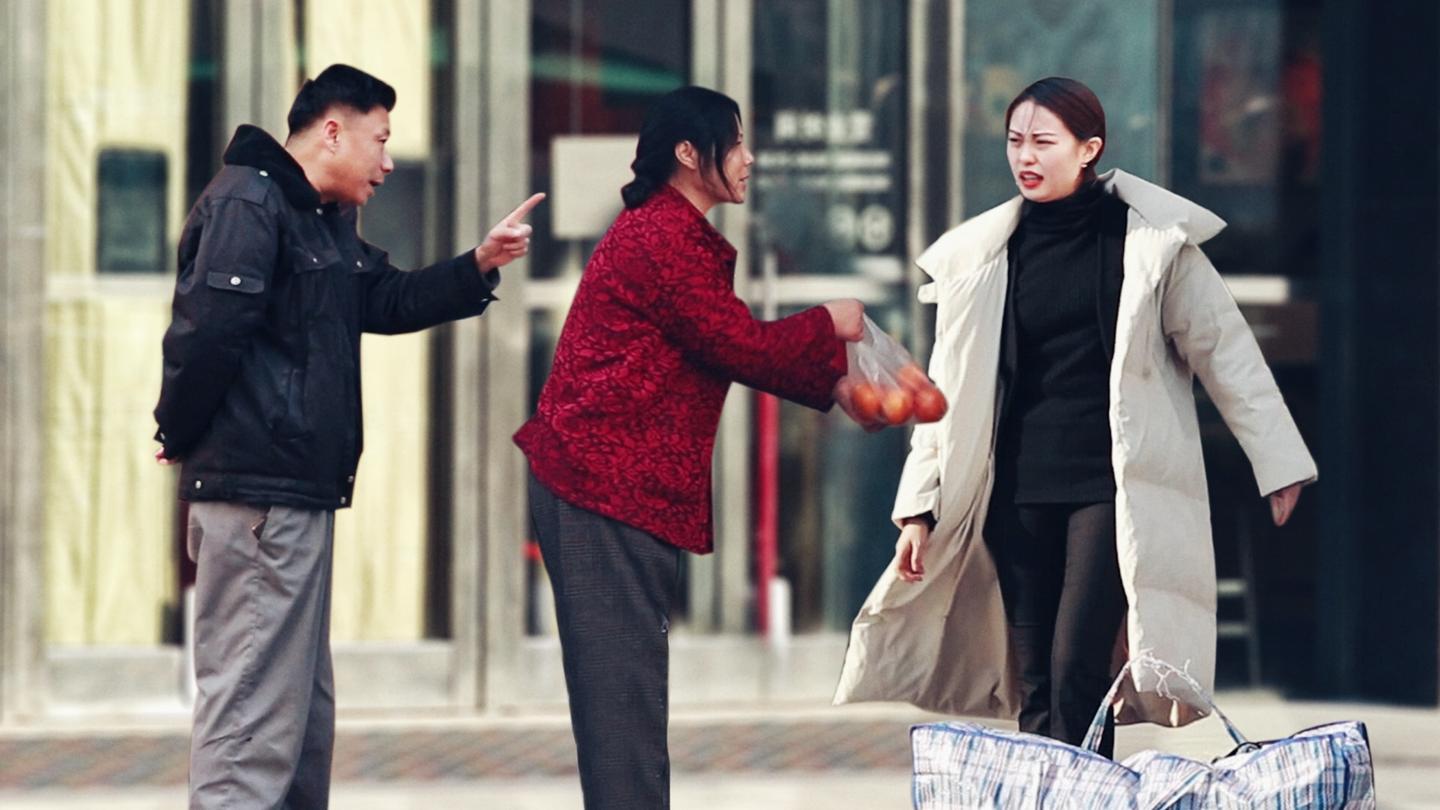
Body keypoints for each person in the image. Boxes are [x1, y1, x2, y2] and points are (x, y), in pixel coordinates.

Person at [834, 77, 1317, 756]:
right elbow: (948, 391)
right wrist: (919, 507)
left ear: (1088, 148)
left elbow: (1225, 351)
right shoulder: (984, 256)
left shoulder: (1152, 245)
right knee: (1034, 682)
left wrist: (1278, 459)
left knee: (1075, 670)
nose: (1025, 157)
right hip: (1014, 491)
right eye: (1014, 141)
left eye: (1042, 142)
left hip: (1110, 490)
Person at [152, 64, 543, 808]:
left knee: (298, 723)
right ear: (333, 130)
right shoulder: (249, 202)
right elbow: (207, 334)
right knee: (249, 724)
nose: (389, 161)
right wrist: (176, 428)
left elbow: (383, 298)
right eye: (381, 139)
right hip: (257, 498)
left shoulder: (317, 218)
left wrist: (479, 265)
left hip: (292, 496)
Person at [514, 85, 866, 808]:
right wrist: (828, 323)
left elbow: (720, 347)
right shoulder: (662, 238)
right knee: (623, 707)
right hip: (597, 489)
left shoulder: (670, 231)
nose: (749, 158)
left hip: (612, 490)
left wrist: (834, 386)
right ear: (688, 153)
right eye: (735, 144)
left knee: (628, 701)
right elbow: (740, 345)